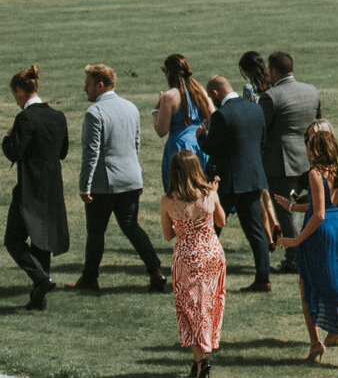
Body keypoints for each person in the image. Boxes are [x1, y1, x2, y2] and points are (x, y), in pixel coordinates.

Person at [283, 121, 338, 366]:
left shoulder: (315, 174)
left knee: (308, 284)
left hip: (319, 234)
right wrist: (291, 205)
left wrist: (297, 239)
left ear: (316, 149)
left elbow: (319, 213)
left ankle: (315, 342)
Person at [76, 64, 167, 293]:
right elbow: (135, 144)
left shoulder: (95, 113)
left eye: (87, 85)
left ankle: (90, 278)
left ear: (99, 85)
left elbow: (91, 154)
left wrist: (84, 186)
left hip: (105, 184)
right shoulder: (131, 107)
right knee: (132, 227)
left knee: (96, 232)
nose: (84, 89)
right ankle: (156, 270)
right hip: (131, 179)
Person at [1, 65, 70, 309]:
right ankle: (38, 298)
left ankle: (41, 278)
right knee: (42, 242)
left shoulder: (25, 118)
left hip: (29, 188)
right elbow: (62, 152)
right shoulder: (58, 116)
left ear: (20, 91)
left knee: (13, 240)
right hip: (52, 188)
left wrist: (8, 137)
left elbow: (14, 153)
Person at [160, 144, 229, 378]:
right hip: (211, 253)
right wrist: (214, 194)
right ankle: (197, 359)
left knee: (190, 309)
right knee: (208, 306)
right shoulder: (210, 193)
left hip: (187, 256)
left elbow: (168, 235)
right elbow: (221, 221)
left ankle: (201, 359)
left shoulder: (168, 201)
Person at [202, 74, 275, 292]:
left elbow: (210, 147)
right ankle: (263, 277)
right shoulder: (255, 109)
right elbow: (261, 141)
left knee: (212, 229)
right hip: (252, 178)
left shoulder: (221, 115)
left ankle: (205, 276)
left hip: (226, 181)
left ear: (216, 93)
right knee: (255, 231)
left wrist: (200, 136)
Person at [259, 50, 320, 274]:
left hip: (281, 162)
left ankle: (294, 258)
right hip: (308, 159)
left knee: (286, 211)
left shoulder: (271, 97)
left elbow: (261, 129)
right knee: (306, 206)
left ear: (274, 71)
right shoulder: (311, 91)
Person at [152, 52, 208, 193]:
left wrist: (155, 111)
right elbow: (211, 115)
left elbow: (161, 130)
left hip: (179, 147)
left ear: (169, 73)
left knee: (180, 194)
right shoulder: (199, 90)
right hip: (200, 144)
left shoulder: (169, 96)